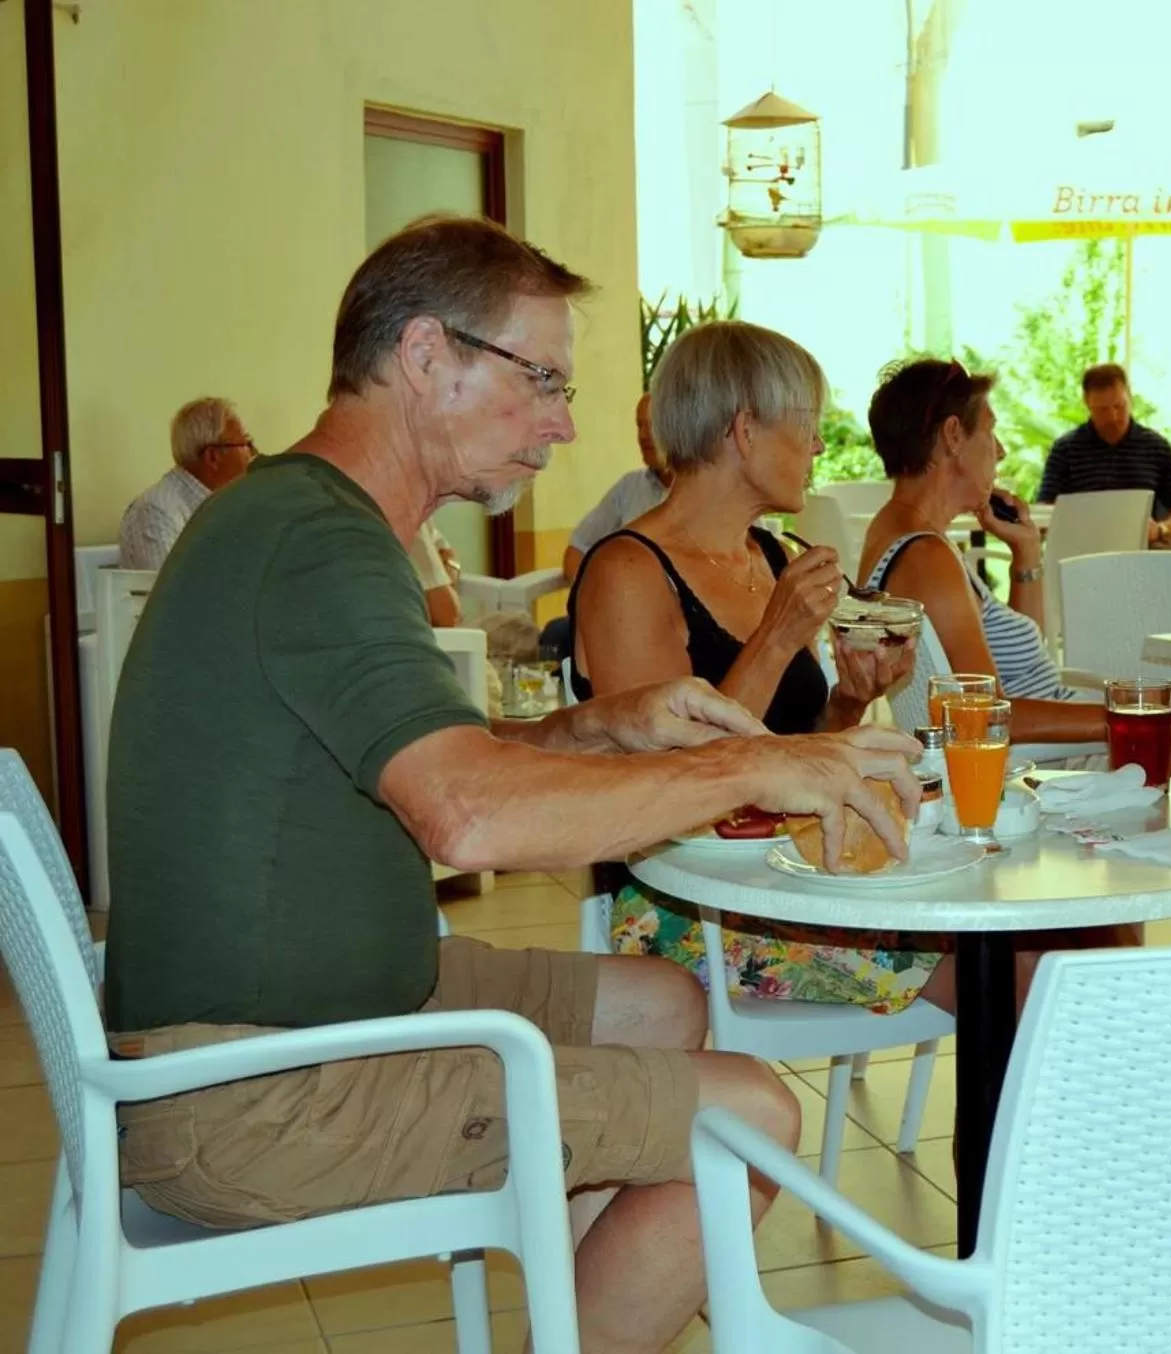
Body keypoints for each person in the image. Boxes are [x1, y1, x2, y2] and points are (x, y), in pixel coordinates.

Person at [101, 214, 921, 1354]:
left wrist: (601, 727)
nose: (566, 422)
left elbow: (424, 754)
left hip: (324, 1011)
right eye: (540, 379)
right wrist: (757, 760)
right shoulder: (315, 541)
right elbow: (467, 813)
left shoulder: (306, 520)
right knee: (751, 1119)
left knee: (662, 1003)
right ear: (427, 356)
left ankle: (572, 1323)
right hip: (259, 1086)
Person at [572, 319, 953, 1012]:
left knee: (1066, 937)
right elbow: (664, 780)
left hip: (796, 861)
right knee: (1011, 964)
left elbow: (788, 744)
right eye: (806, 425)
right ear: (744, 430)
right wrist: (776, 638)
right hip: (687, 903)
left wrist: (849, 702)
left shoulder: (773, 556)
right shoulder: (628, 571)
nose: (817, 446)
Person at [861, 357, 1171, 766]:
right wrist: (1128, 717)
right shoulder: (926, 558)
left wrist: (1025, 553)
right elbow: (985, 715)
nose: (1000, 450)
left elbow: (1017, 667)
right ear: (954, 435)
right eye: (990, 430)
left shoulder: (900, 535)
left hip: (1054, 741)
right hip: (1052, 762)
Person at [1035, 362, 1171, 547]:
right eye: (1102, 410)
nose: (1113, 417)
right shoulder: (1065, 450)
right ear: (1087, 403)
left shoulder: (1156, 447)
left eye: (1119, 406)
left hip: (1142, 552)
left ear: (1130, 398)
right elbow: (1045, 513)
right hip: (1082, 552)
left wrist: (1161, 529)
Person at [117, 396, 257, 569]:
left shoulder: (227, 503)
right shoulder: (156, 512)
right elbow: (169, 593)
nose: (253, 454)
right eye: (247, 443)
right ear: (213, 457)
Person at [563, 392, 672, 581]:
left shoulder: (705, 490)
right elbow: (577, 547)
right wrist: (591, 599)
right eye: (639, 425)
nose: (643, 436)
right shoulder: (628, 488)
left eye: (653, 425)